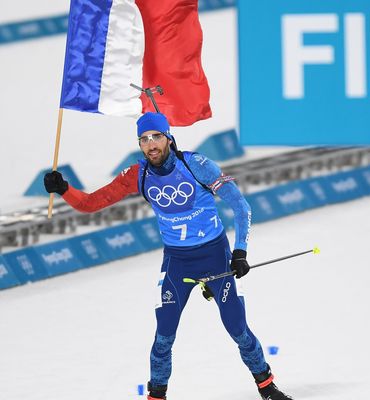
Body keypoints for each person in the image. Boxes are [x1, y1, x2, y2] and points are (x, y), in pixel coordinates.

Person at [44, 112, 293, 400]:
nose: (151, 145)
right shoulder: (137, 175)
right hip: (178, 261)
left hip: (214, 256)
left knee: (237, 328)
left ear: (169, 138)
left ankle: (267, 386)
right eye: (144, 139)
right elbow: (90, 203)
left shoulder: (197, 165)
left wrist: (239, 252)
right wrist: (64, 189)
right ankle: (156, 397)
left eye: (156, 137)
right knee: (164, 336)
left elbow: (240, 206)